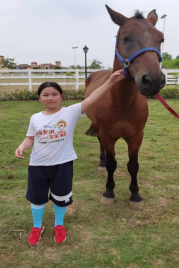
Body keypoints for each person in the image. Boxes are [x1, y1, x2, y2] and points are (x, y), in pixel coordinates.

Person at [15, 70, 124, 245]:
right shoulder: (35, 118)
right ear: (39, 98)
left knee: (61, 197)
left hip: (62, 165)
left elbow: (92, 98)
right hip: (37, 166)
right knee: (37, 198)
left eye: (54, 94)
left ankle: (59, 224)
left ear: (61, 96)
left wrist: (111, 81)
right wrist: (22, 146)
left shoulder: (71, 112)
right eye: (45, 95)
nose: (50, 98)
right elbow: (31, 138)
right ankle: (37, 226)